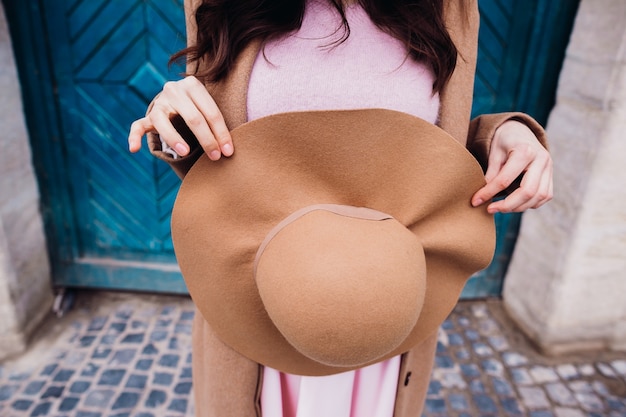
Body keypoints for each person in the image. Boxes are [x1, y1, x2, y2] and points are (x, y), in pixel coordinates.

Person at [128, 0, 553, 416]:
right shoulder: (221, 5)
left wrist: (500, 134)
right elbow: (218, 164)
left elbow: (434, 152)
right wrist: (171, 120)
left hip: (387, 320)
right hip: (257, 313)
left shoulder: (450, 9)